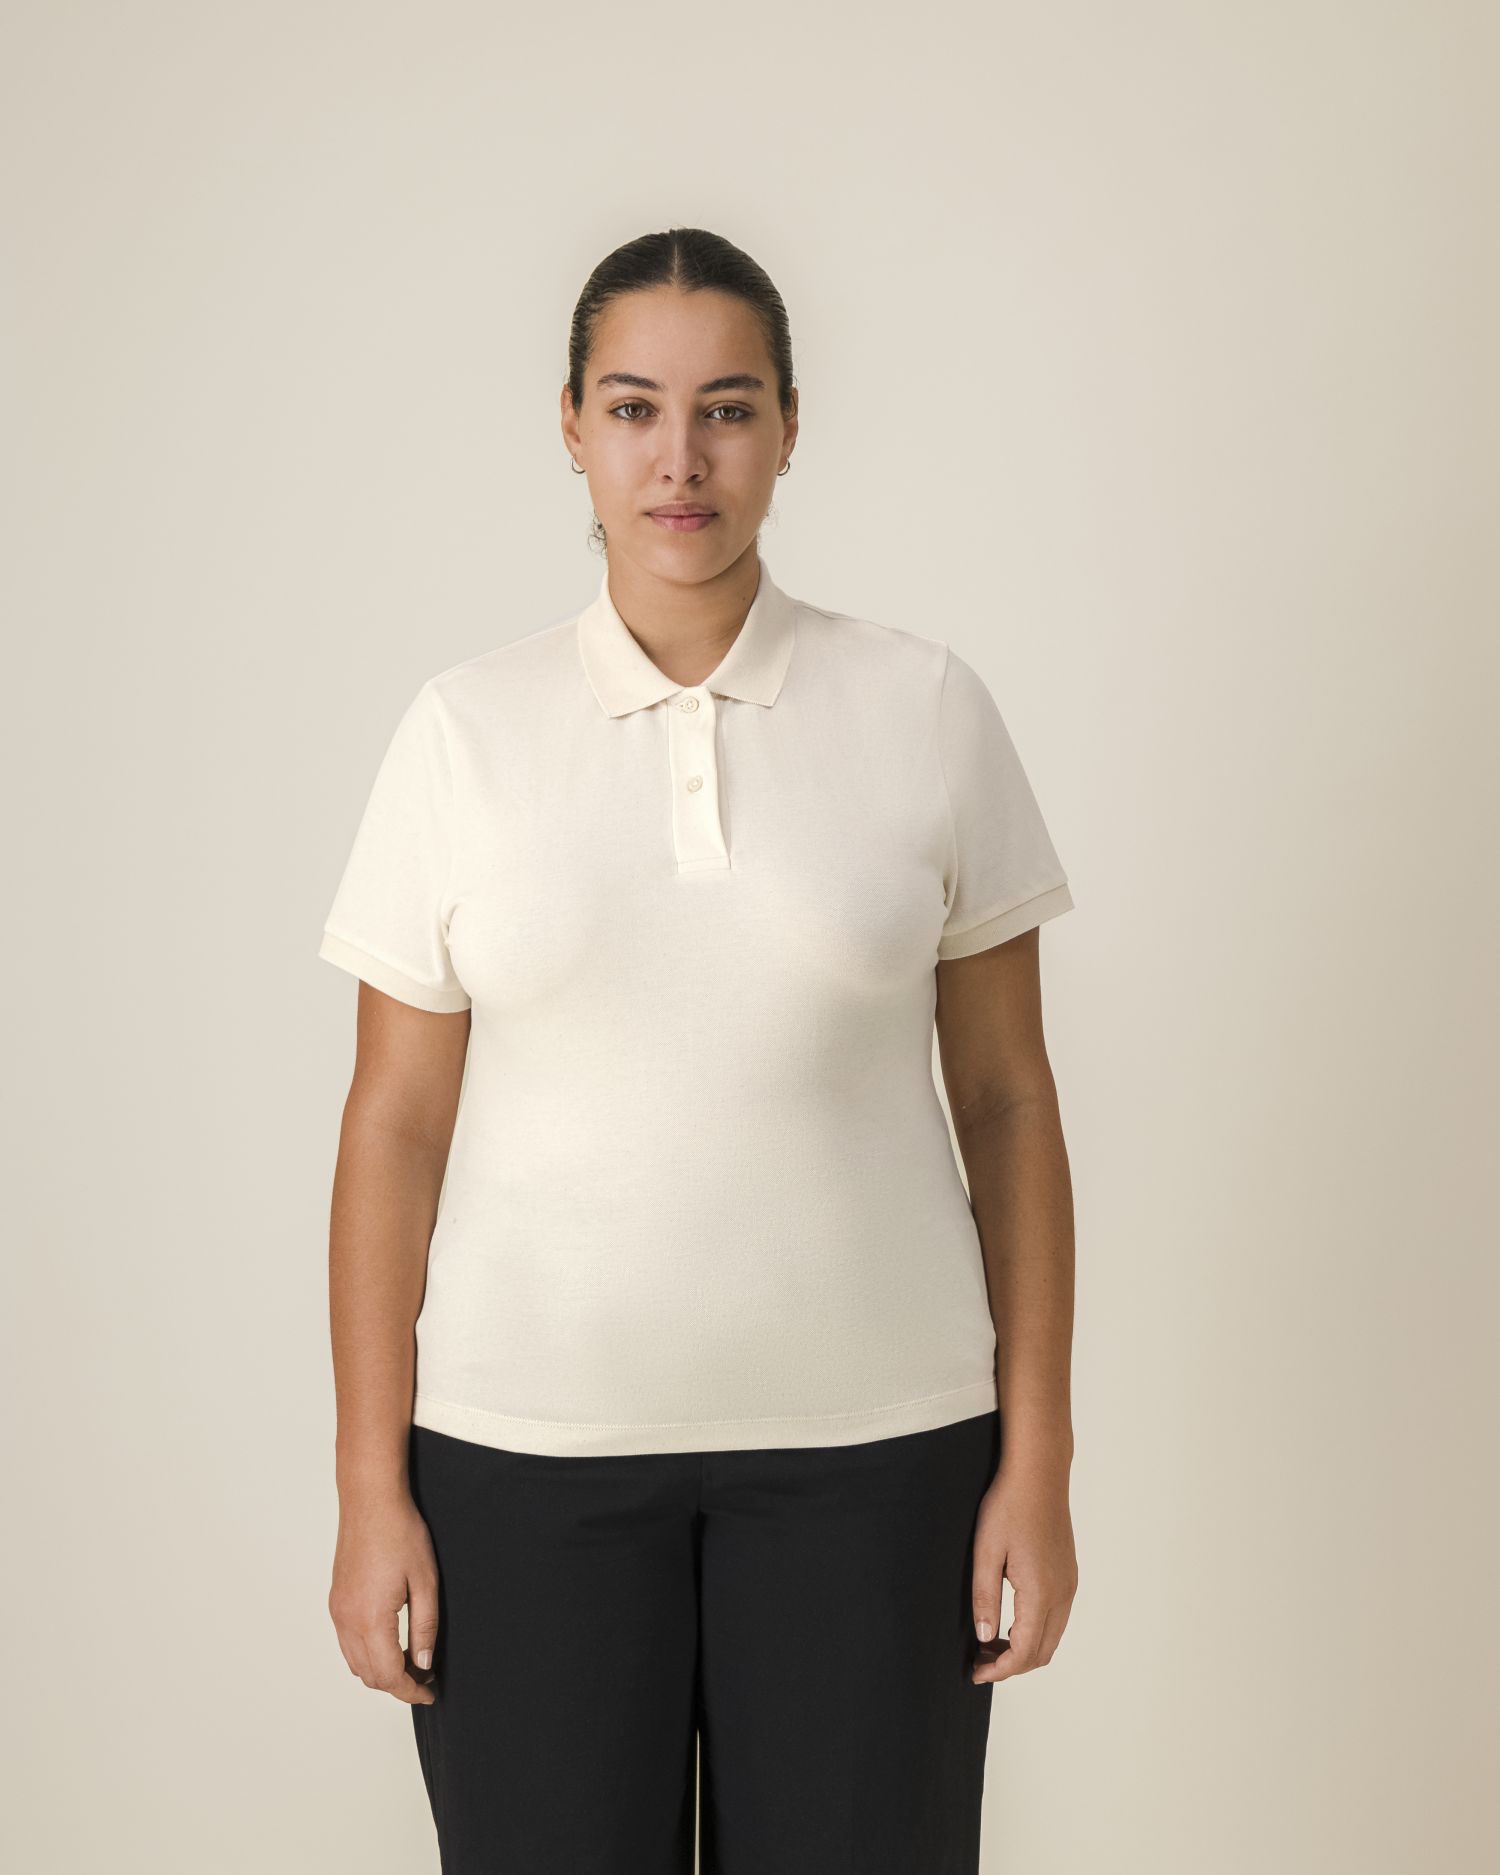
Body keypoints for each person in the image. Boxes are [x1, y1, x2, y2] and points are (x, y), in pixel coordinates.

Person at [319, 225, 1080, 1874]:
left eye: (729, 409)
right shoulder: (464, 732)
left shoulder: (924, 708)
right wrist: (371, 1489)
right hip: (522, 1464)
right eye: (635, 408)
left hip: (880, 1460)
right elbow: (393, 1127)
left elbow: (1009, 1100)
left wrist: (1041, 1458)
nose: (682, 459)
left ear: (791, 427)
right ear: (572, 429)